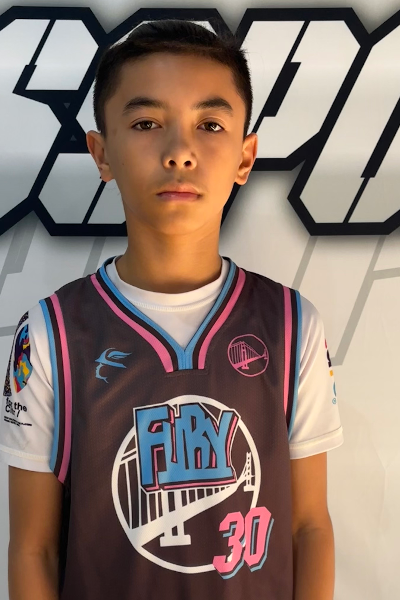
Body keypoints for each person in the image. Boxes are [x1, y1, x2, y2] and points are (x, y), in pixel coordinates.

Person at [0, 19, 343, 600]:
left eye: (210, 125)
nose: (180, 152)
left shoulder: (292, 324)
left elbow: (309, 528)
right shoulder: (52, 333)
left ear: (245, 156)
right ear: (101, 153)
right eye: (146, 124)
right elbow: (34, 548)